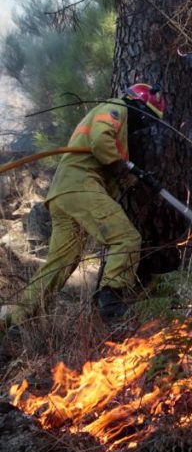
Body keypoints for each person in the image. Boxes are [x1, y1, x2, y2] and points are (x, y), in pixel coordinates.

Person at [3, 83, 166, 335]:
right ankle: (111, 300)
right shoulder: (116, 108)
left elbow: (106, 162)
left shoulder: (120, 130)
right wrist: (122, 168)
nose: (142, 127)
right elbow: (100, 139)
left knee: (61, 262)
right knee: (125, 237)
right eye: (146, 120)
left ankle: (18, 321)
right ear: (139, 106)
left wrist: (129, 178)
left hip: (63, 193)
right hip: (80, 186)